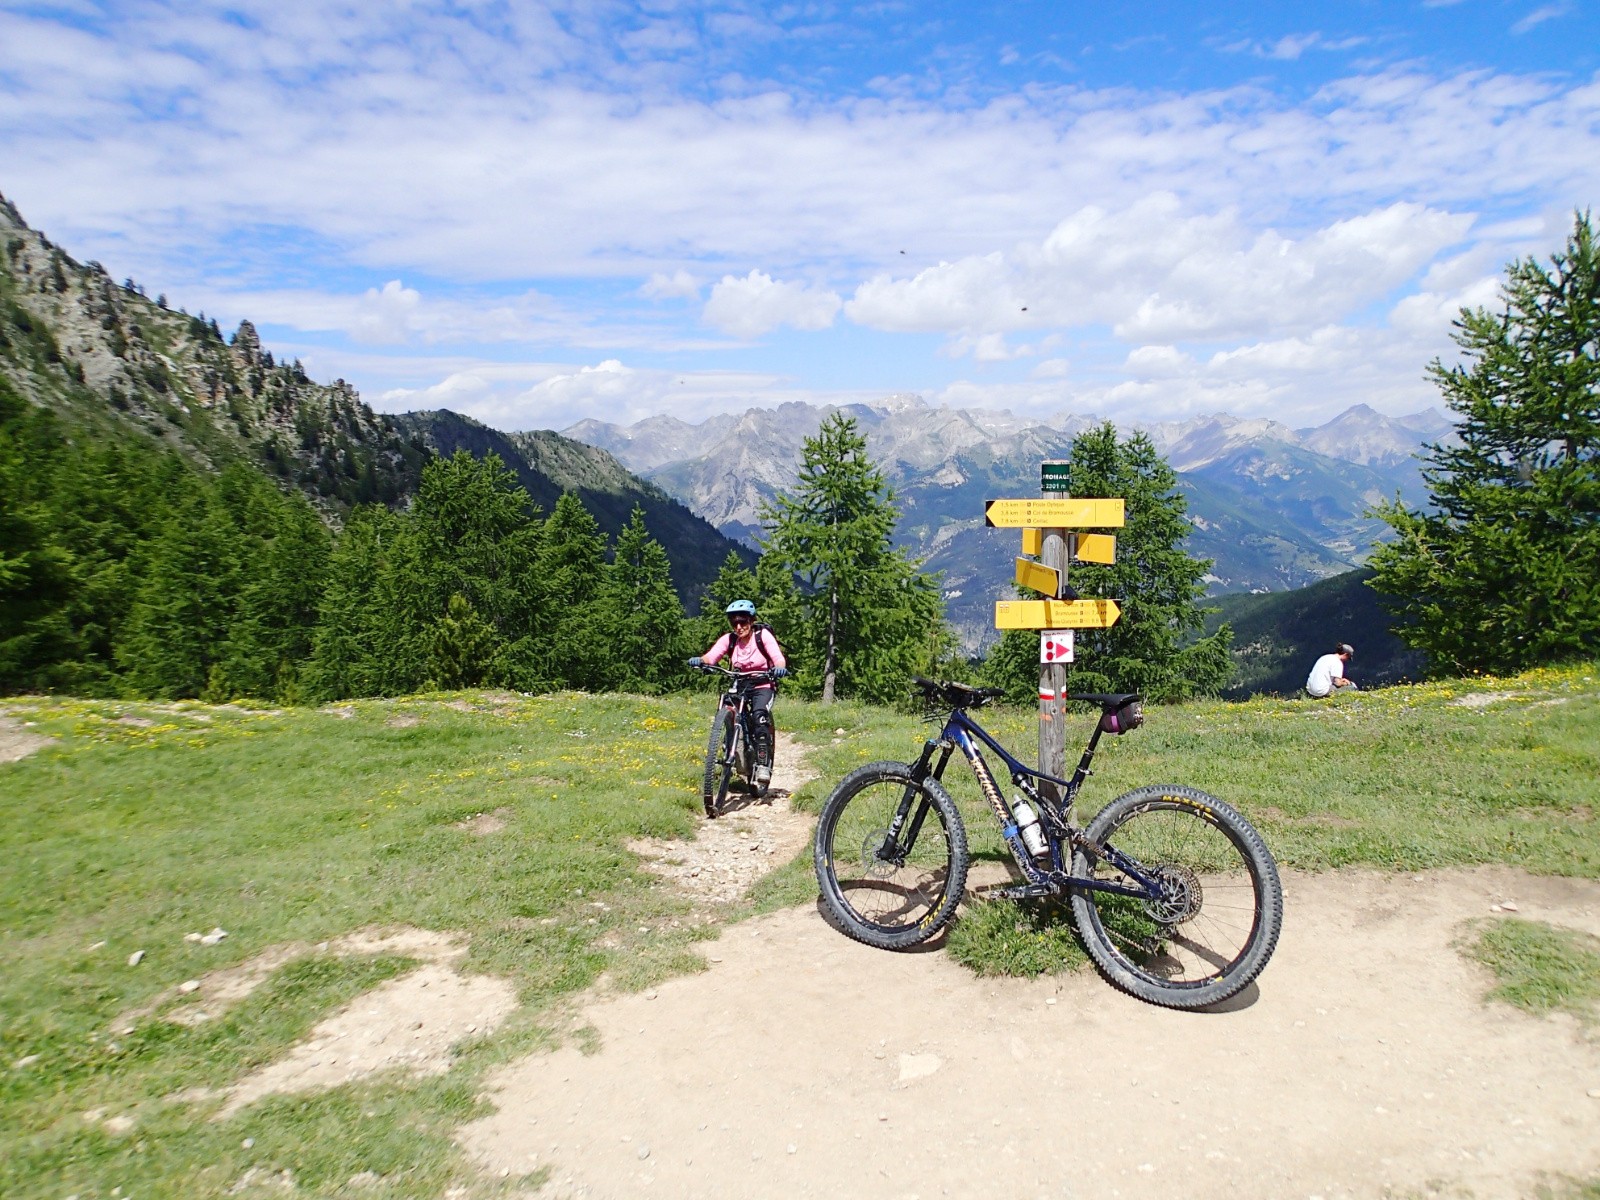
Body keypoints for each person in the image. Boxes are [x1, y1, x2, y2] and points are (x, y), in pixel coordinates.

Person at [688, 600, 788, 788]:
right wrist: (701, 661)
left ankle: (763, 764)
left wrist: (779, 669)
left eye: (743, 622)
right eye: (734, 623)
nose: (739, 627)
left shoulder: (762, 636)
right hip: (740, 682)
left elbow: (778, 658)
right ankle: (731, 745)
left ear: (751, 621)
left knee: (759, 717)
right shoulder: (730, 639)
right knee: (730, 709)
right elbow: (712, 656)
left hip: (763, 683)